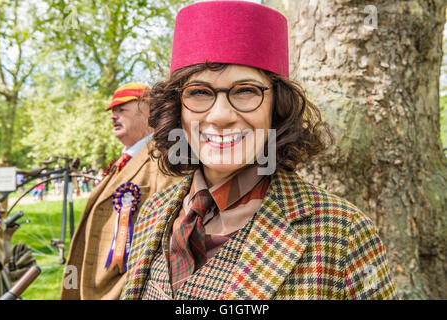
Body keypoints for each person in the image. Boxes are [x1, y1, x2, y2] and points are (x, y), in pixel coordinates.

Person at [121, 1, 398, 300]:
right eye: (200, 92)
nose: (220, 116)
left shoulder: (343, 233)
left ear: (277, 106)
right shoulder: (153, 212)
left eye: (246, 91)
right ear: (178, 109)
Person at [61, 83, 179, 300]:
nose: (113, 116)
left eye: (121, 109)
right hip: (96, 285)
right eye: (112, 111)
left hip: (124, 290)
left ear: (149, 110)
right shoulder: (122, 161)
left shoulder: (163, 160)